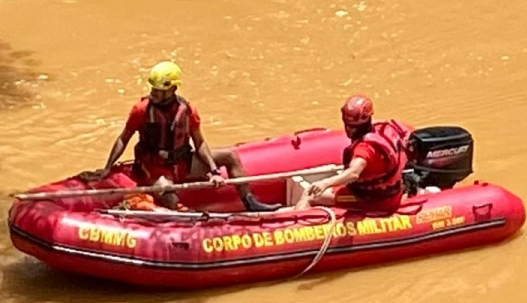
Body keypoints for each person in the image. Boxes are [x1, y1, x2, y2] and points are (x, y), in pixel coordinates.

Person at [99, 61, 279, 212]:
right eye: (153, 89)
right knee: (167, 192)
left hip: (182, 163)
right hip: (153, 168)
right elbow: (123, 138)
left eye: (160, 90)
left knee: (230, 155)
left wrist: (214, 171)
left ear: (173, 89)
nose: (154, 93)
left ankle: (249, 202)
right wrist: (107, 168)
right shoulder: (141, 110)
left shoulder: (187, 110)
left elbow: (199, 143)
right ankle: (185, 216)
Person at [294, 94, 409, 212]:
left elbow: (353, 173)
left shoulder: (364, 148)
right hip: (392, 192)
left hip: (371, 200)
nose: (349, 130)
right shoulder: (385, 130)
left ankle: (297, 220)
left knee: (309, 195)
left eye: (352, 127)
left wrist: (325, 183)